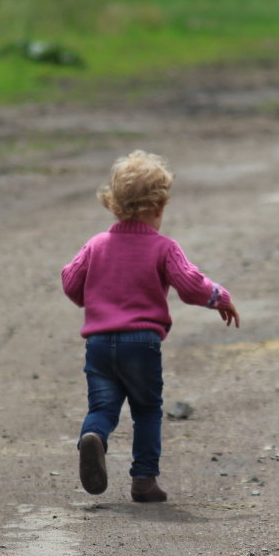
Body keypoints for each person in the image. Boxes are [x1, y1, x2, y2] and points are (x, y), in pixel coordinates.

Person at [61, 150, 240, 503]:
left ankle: (92, 438)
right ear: (159, 207)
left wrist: (93, 296)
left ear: (113, 205)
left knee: (102, 408)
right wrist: (220, 297)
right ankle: (143, 480)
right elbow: (191, 286)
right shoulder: (163, 248)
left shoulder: (96, 245)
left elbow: (70, 282)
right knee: (145, 409)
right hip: (141, 342)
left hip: (98, 343)